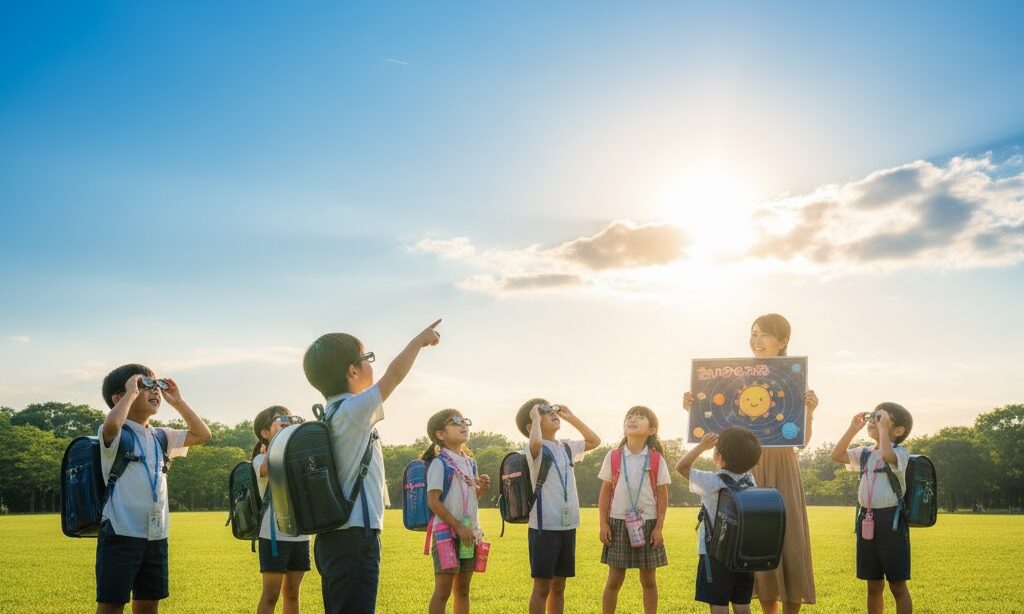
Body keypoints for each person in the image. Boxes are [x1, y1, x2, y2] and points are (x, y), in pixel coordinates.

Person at [302, 319, 442, 614]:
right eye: (366, 359)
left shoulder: (331, 414)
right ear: (353, 370)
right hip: (355, 535)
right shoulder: (353, 411)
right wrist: (417, 342)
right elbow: (394, 376)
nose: (370, 364)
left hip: (332, 537)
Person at [684, 313, 818, 614]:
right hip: (746, 465)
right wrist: (696, 407)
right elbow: (717, 424)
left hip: (782, 463)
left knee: (788, 536)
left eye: (764, 335)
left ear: (783, 341)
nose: (756, 341)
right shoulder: (734, 378)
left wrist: (809, 411)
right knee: (748, 535)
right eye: (753, 334)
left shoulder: (794, 380)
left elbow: (800, 439)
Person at [95, 364, 211, 614]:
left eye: (156, 385)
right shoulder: (116, 433)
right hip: (120, 532)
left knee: (148, 605)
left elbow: (202, 434)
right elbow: (111, 426)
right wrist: (130, 393)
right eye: (145, 385)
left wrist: (177, 402)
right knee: (111, 606)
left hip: (156, 535)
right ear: (120, 397)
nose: (155, 390)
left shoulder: (162, 436)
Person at [514, 399, 601, 614]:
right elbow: (535, 444)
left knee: (560, 586)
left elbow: (594, 440)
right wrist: (535, 418)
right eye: (544, 411)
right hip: (544, 527)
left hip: (567, 525)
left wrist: (570, 417)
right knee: (542, 587)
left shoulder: (566, 447)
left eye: (551, 409)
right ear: (531, 425)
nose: (552, 413)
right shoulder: (534, 449)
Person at [830, 403, 915, 614]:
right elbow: (836, 455)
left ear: (898, 430)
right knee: (873, 584)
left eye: (882, 419)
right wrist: (853, 428)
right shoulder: (865, 453)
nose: (874, 422)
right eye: (874, 418)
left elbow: (886, 455)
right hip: (866, 519)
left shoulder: (900, 453)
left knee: (897, 584)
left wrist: (883, 429)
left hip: (891, 521)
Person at [677, 428, 762, 614]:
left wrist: (701, 447)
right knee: (742, 603)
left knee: (718, 603)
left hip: (714, 553)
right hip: (743, 553)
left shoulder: (712, 481)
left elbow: (681, 467)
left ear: (719, 457)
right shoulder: (751, 480)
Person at [597, 406, 671, 614]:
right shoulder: (613, 456)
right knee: (614, 579)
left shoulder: (656, 459)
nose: (633, 419)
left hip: (647, 523)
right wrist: (603, 523)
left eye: (640, 417)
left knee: (648, 580)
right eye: (630, 416)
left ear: (652, 430)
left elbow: (663, 496)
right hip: (618, 522)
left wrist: (659, 527)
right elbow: (605, 492)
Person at [421, 409, 491, 614]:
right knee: (443, 591)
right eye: (455, 422)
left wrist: (480, 492)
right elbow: (433, 501)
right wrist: (458, 527)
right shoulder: (439, 463)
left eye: (464, 421)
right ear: (440, 435)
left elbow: (466, 500)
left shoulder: (470, 463)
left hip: (468, 532)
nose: (463, 425)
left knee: (463, 590)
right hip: (447, 533)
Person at [251, 406, 310, 614]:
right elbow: (268, 467)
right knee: (270, 595)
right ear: (265, 434)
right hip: (273, 534)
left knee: (293, 594)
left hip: (300, 533)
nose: (287, 422)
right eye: (280, 421)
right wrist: (281, 440)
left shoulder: (298, 456)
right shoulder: (260, 459)